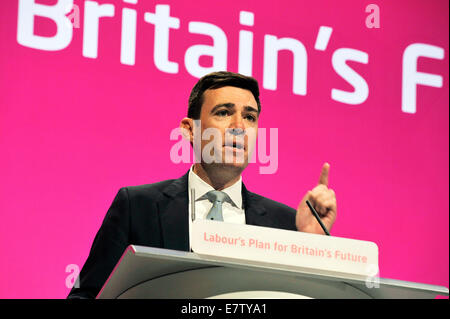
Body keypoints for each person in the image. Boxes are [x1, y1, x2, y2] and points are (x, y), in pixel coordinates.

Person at [67, 71, 337, 299]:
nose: (239, 127)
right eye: (223, 113)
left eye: (250, 117)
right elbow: (86, 295)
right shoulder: (137, 206)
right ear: (189, 129)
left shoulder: (287, 224)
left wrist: (313, 247)